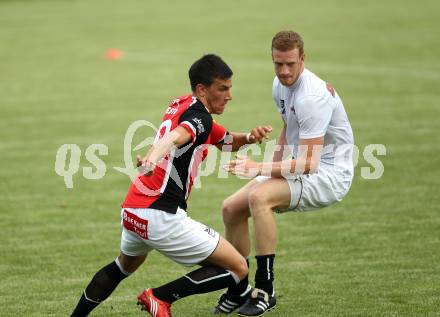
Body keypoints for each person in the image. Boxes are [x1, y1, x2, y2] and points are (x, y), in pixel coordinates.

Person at [70, 54, 272, 317]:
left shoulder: (184, 105)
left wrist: (250, 138)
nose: (229, 95)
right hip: (161, 215)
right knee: (237, 268)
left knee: (122, 267)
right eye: (222, 88)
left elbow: (225, 141)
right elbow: (176, 137)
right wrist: (152, 158)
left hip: (133, 210)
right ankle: (160, 298)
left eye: (230, 88)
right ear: (202, 89)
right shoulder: (199, 118)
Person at [213, 31, 354, 316]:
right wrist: (266, 171)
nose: (284, 70)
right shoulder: (280, 85)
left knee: (260, 198)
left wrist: (258, 169)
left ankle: (265, 289)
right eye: (278, 64)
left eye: (291, 63)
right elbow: (288, 129)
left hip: (330, 175)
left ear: (303, 59)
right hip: (306, 165)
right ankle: (239, 287)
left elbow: (310, 164)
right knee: (230, 208)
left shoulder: (311, 97)